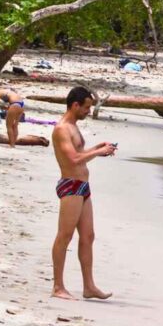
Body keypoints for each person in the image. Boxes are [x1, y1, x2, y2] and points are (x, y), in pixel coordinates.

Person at [51, 86, 116, 301]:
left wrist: (97, 148)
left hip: (83, 187)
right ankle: (58, 286)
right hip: (70, 186)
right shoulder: (62, 129)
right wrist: (98, 152)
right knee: (65, 236)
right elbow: (72, 160)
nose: (89, 111)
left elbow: (79, 154)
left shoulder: (73, 127)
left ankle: (89, 286)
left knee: (88, 236)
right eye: (87, 107)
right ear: (75, 105)